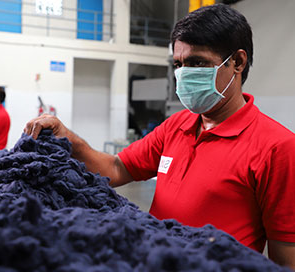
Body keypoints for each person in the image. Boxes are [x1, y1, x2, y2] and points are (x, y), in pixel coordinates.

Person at [24, 4, 295, 269]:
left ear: (237, 62)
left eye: (197, 62)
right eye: (178, 64)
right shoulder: (177, 125)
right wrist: (67, 138)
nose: (184, 74)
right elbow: (116, 168)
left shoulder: (277, 147)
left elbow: (286, 259)